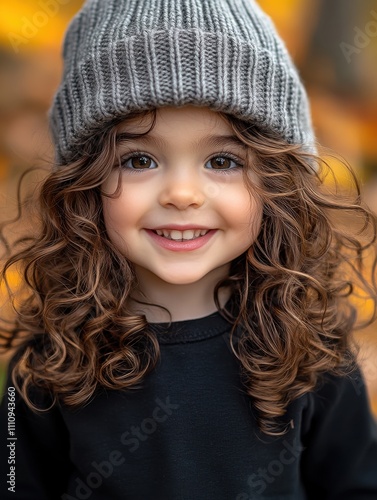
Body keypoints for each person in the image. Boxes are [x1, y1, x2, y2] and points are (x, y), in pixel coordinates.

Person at [1, 0, 377, 498]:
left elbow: (356, 486)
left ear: (277, 184)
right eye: (138, 160)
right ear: (82, 185)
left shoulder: (312, 348)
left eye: (222, 160)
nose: (182, 193)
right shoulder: (49, 360)